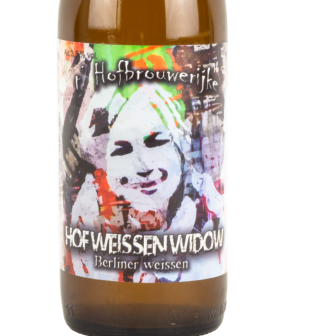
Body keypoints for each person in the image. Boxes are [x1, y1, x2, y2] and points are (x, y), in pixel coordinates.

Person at [69, 81, 224, 282]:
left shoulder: (206, 203)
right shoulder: (89, 209)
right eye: (122, 150)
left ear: (180, 148)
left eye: (156, 142)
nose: (143, 167)